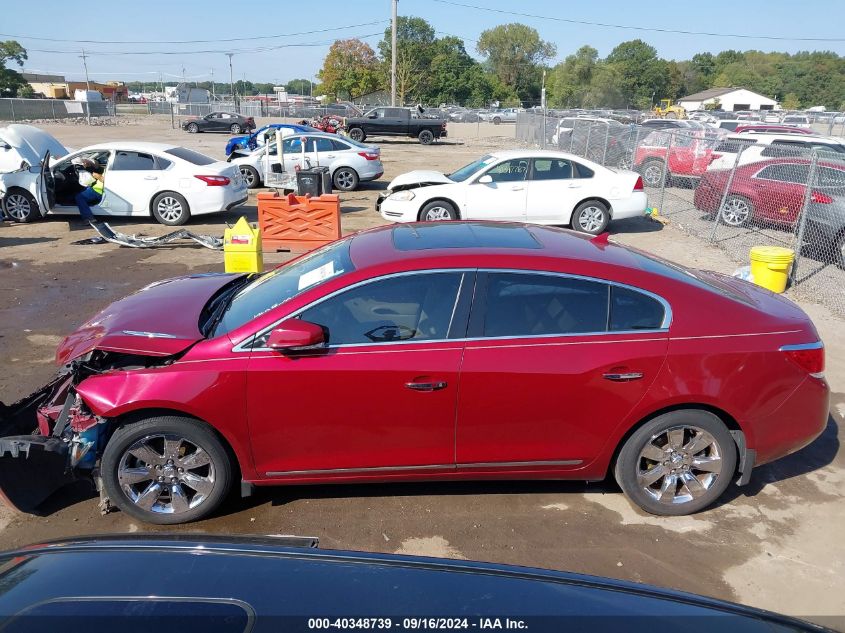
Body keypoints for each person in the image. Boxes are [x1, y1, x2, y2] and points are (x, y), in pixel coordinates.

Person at [74, 158, 105, 223]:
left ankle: (89, 218)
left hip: (98, 190)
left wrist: (97, 176)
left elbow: (104, 180)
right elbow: (99, 169)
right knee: (82, 191)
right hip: (97, 188)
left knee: (79, 197)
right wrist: (88, 167)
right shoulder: (117, 166)